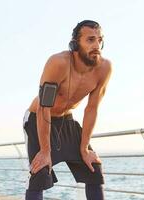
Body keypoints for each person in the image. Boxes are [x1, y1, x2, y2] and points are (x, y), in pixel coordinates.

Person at [22, 20, 112, 200]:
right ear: (75, 44)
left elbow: (91, 109)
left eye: (99, 40)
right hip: (38, 117)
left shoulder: (104, 68)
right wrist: (45, 151)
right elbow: (43, 107)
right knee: (39, 171)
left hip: (67, 121)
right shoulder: (58, 63)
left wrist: (84, 147)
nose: (96, 45)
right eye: (90, 40)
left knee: (93, 168)